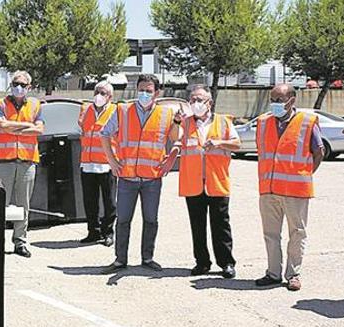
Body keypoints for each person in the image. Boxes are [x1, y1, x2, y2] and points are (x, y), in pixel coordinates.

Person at [100, 74, 182, 272]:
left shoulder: (166, 114)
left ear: (157, 93)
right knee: (123, 220)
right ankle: (120, 260)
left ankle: (147, 258)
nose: (144, 94)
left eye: (149, 90)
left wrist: (171, 158)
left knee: (151, 220)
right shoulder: (123, 110)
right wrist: (112, 161)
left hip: (152, 178)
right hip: (127, 177)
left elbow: (176, 139)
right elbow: (104, 133)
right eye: (141, 90)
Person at [254, 83, 325, 291]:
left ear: (291, 101)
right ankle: (273, 273)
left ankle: (293, 274)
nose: (274, 104)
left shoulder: (307, 121)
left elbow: (318, 151)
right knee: (270, 234)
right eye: (272, 100)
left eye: (279, 100)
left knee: (297, 232)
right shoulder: (263, 122)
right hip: (268, 189)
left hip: (296, 190)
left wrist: (305, 174)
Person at [178, 84, 241, 278]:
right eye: (193, 100)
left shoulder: (223, 122)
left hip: (217, 182)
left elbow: (237, 144)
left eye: (200, 100)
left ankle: (226, 263)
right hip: (193, 183)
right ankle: (202, 262)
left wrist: (219, 143)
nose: (195, 103)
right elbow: (173, 140)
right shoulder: (185, 123)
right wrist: (175, 122)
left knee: (220, 224)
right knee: (197, 226)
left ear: (209, 103)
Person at [0, 70, 45, 258]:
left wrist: (15, 128)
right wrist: (26, 127)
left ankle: (20, 242)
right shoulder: (0, 103)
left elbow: (39, 129)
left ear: (29, 87)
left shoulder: (35, 104)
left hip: (27, 161)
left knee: (24, 204)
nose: (19, 87)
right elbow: (2, 125)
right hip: (4, 161)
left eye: (23, 84)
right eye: (16, 83)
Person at [78, 80, 118, 246]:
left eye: (103, 93)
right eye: (96, 92)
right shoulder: (86, 110)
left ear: (110, 97)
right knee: (90, 201)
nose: (98, 96)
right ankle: (92, 232)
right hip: (87, 163)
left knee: (109, 202)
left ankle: (108, 232)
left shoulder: (116, 111)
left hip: (106, 164)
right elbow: (83, 132)